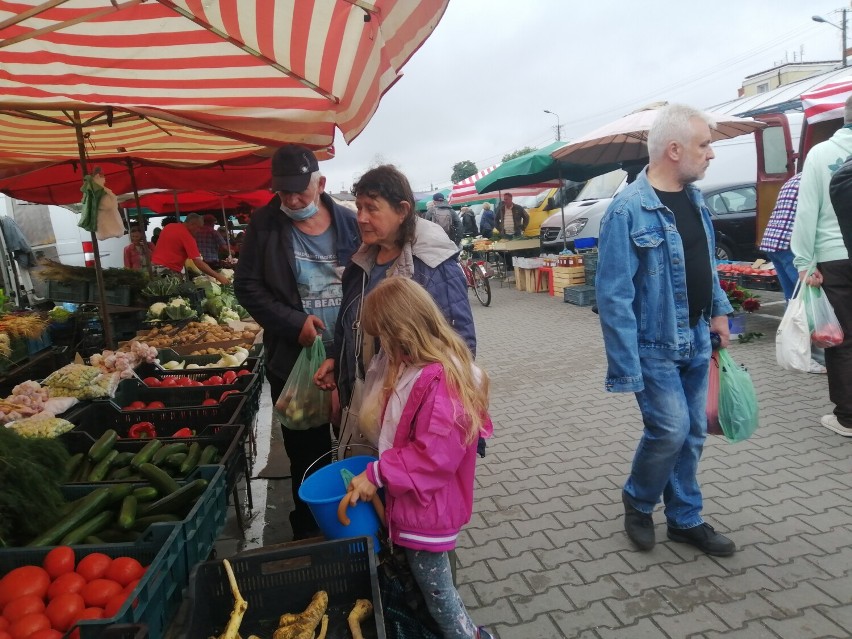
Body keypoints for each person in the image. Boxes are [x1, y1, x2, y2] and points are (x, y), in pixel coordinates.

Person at [596, 103, 736, 557]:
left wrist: (718, 312)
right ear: (674, 150)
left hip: (696, 336)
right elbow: (613, 296)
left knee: (693, 432)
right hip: (653, 346)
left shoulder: (695, 199)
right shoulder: (627, 211)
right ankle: (637, 501)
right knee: (670, 430)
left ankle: (684, 518)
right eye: (704, 144)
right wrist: (626, 367)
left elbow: (705, 264)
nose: (711, 154)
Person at [344, 277, 493, 639]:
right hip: (415, 505)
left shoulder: (442, 380)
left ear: (403, 331)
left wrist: (378, 473)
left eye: (385, 339)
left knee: (439, 596)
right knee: (432, 591)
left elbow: (434, 456)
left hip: (427, 511)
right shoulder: (420, 368)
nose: (383, 349)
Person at [234, 144, 360, 539]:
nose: (291, 200)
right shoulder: (265, 224)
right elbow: (247, 286)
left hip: (353, 357)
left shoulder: (350, 223)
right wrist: (293, 323)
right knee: (308, 453)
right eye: (282, 192)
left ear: (321, 183)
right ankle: (310, 532)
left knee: (362, 444)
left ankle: (359, 524)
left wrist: (345, 351)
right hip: (295, 363)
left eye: (299, 192)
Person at [314, 164, 476, 419]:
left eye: (372, 209)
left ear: (402, 210)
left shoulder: (434, 268)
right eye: (359, 208)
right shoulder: (359, 265)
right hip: (363, 404)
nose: (361, 218)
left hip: (411, 412)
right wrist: (337, 360)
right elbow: (348, 327)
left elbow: (460, 345)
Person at [790, 94, 852, 438]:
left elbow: (807, 211)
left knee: (842, 338)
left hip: (834, 256)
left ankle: (847, 417)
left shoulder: (821, 153)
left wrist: (804, 261)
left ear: (843, 116)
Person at [759, 173, 826, 373]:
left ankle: (795, 351)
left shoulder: (795, 178)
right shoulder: (816, 180)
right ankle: (811, 356)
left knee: (793, 300)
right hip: (790, 245)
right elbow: (811, 217)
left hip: (774, 242)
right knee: (806, 303)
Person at [151, 213, 229, 285]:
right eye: (199, 228)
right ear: (192, 224)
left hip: (154, 267)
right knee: (171, 297)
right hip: (169, 270)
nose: (199, 231)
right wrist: (218, 276)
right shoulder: (187, 237)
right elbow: (198, 263)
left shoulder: (169, 226)